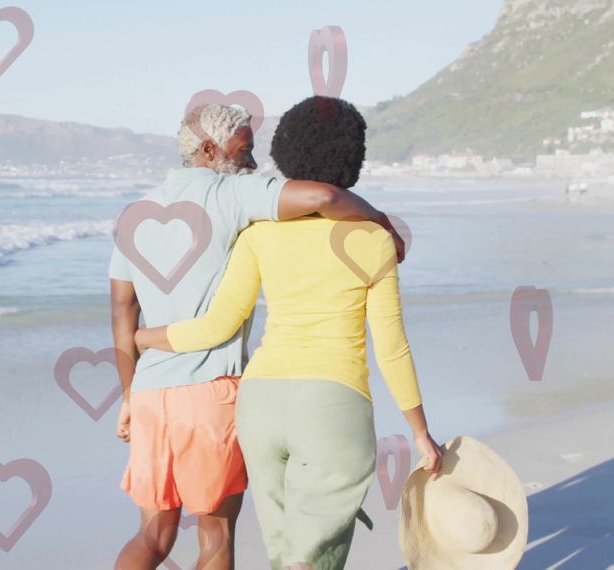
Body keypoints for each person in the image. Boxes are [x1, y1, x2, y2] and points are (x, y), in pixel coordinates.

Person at [134, 96, 442, 569]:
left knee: (282, 555)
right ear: (351, 157)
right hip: (331, 405)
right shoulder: (373, 239)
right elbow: (392, 348)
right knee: (312, 559)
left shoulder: (259, 233)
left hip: (259, 406)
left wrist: (146, 338)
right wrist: (420, 433)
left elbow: (217, 325)